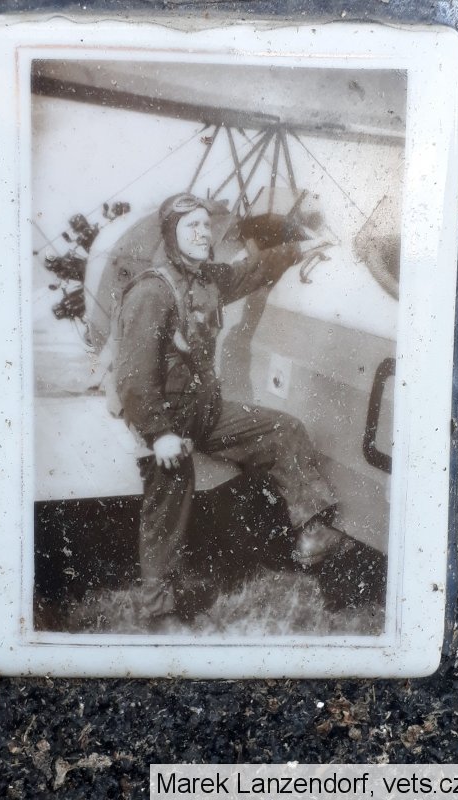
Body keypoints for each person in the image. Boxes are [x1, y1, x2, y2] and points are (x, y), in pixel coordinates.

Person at [114, 193, 345, 626]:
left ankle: (312, 529)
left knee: (283, 429)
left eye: (206, 225)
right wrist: (159, 434)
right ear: (171, 235)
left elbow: (252, 270)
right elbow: (133, 377)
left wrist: (301, 248)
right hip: (166, 419)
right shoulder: (151, 291)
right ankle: (160, 611)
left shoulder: (207, 279)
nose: (203, 233)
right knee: (167, 511)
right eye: (191, 226)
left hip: (206, 411)